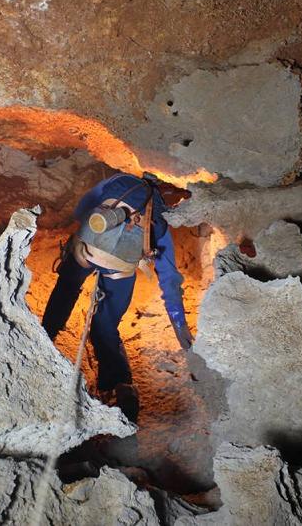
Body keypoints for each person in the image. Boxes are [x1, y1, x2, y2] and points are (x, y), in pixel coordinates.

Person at [41, 172, 193, 421]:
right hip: (120, 267)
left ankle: (46, 334)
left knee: (67, 284)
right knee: (105, 325)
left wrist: (82, 234)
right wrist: (179, 324)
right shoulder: (159, 216)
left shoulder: (119, 181)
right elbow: (168, 275)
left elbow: (83, 207)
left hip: (88, 247)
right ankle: (120, 385)